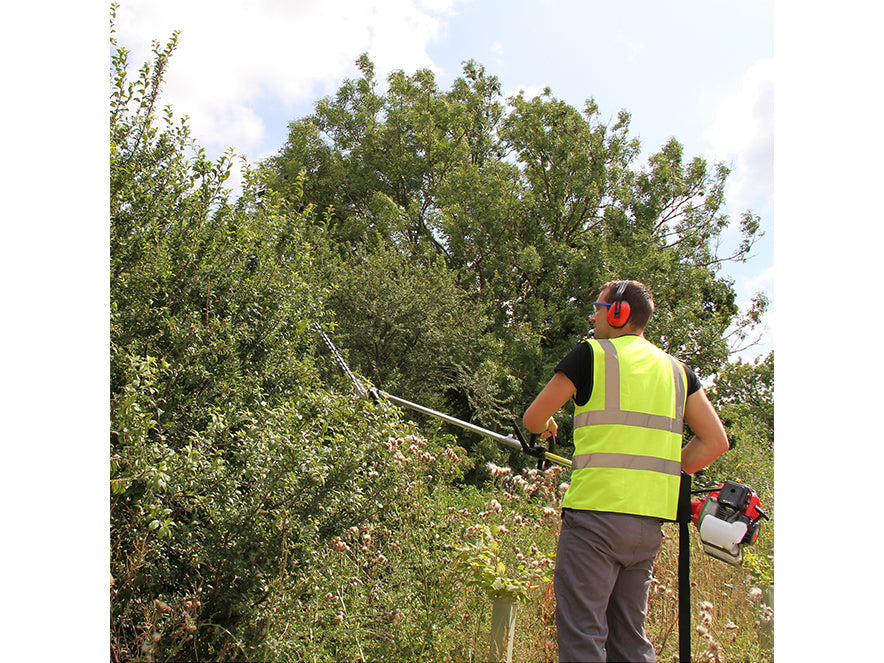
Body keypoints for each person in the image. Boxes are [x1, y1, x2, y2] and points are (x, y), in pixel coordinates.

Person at [522, 279, 729, 663]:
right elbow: (715, 441)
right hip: (647, 528)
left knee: (583, 637)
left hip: (593, 521)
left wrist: (547, 423)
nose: (592, 317)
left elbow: (533, 418)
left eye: (598, 309)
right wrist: (666, 469)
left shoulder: (591, 355)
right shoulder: (677, 371)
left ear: (619, 313)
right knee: (630, 643)